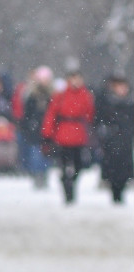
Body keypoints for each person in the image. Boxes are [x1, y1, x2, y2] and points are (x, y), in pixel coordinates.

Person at [41, 68, 95, 203]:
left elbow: (90, 115)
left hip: (79, 136)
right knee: (64, 167)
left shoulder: (86, 95)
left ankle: (71, 185)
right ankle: (67, 191)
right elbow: (51, 115)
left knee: (79, 166)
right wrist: (47, 135)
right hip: (63, 136)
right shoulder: (60, 96)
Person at [95, 74, 134, 204]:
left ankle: (121, 191)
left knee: (124, 168)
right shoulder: (107, 102)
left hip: (126, 140)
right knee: (112, 167)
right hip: (111, 140)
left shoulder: (130, 103)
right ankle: (115, 192)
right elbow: (99, 119)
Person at [17, 66, 54, 187]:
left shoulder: (52, 95)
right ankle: (37, 176)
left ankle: (44, 175)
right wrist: (29, 125)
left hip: (48, 130)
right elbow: (27, 113)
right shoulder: (32, 94)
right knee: (36, 154)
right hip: (36, 130)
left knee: (46, 155)